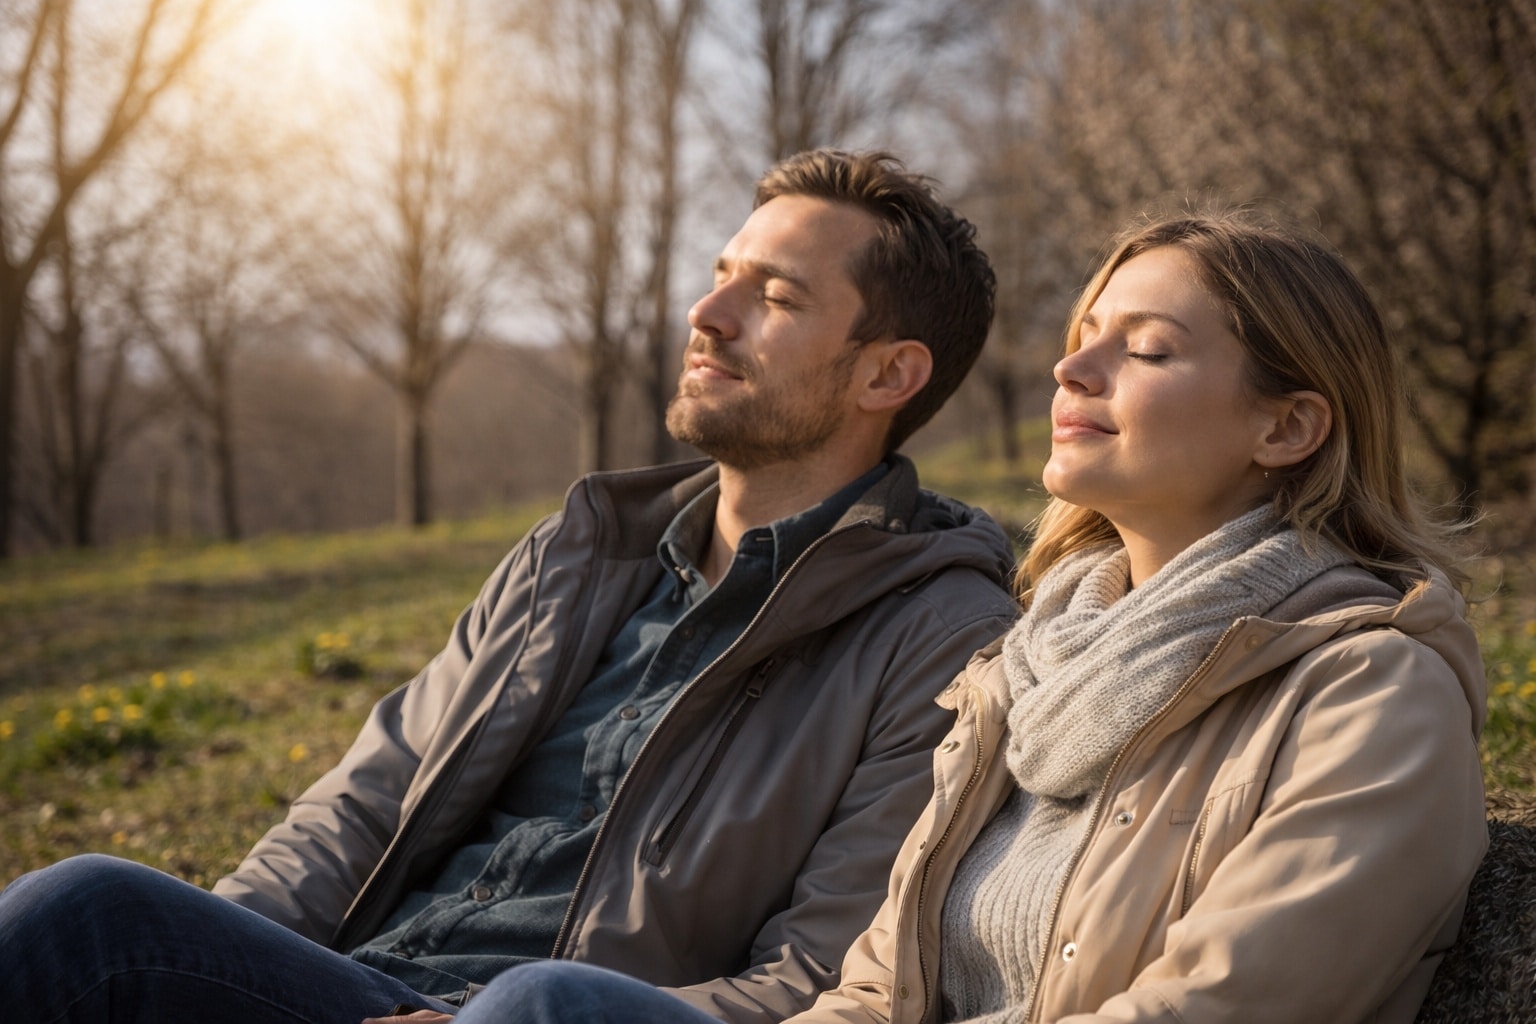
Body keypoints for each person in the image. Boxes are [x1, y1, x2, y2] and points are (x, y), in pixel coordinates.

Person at [0, 149, 1018, 1023]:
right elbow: (363, 805)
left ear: (887, 377)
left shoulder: (940, 632)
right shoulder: (576, 555)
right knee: (86, 911)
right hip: (356, 988)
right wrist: (211, 965)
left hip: (569, 1015)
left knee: (535, 1002)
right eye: (721, 276)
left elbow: (821, 974)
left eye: (778, 297)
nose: (708, 315)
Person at [437, 208, 1490, 1024]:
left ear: (1290, 424)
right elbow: (871, 992)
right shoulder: (1017, 677)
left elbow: (1221, 1005)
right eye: (1084, 339)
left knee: (544, 1008)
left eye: (1149, 348)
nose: (1072, 369)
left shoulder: (1371, 693)